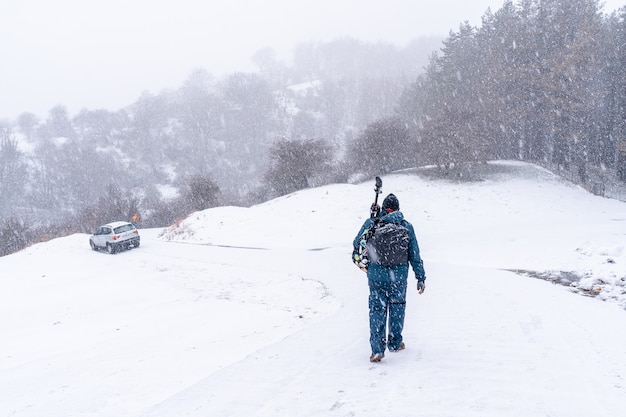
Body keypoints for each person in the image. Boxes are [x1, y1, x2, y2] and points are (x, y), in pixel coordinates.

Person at [352, 193, 426, 363]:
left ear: (384, 208)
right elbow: (414, 254)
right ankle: (395, 342)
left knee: (377, 310)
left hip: (376, 275)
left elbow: (357, 243)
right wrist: (420, 277)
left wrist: (374, 218)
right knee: (397, 308)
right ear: (398, 209)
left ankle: (377, 350)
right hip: (398, 278)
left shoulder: (372, 224)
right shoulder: (406, 226)